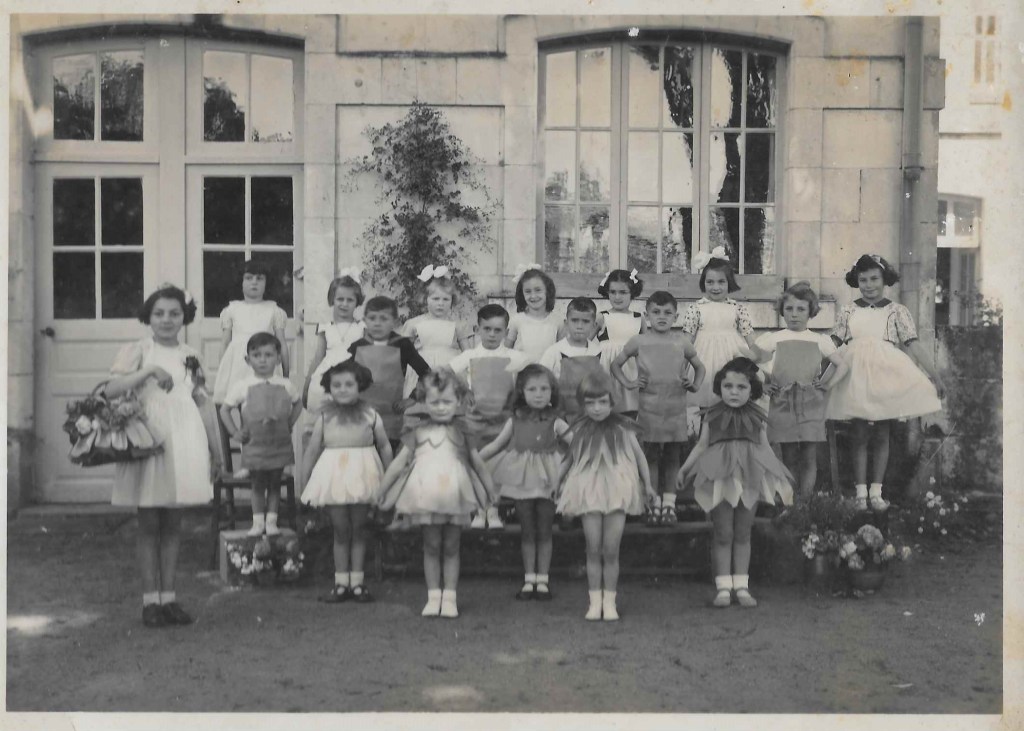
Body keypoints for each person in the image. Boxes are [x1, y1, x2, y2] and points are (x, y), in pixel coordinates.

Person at [105, 284, 217, 628]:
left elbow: (202, 401)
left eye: (174, 314)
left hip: (183, 438)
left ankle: (169, 598)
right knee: (149, 521)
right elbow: (111, 390)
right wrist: (150, 371)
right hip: (149, 439)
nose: (167, 320)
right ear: (148, 317)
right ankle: (149, 601)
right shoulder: (139, 350)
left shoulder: (190, 353)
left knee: (173, 522)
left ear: (184, 318)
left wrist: (215, 448)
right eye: (159, 313)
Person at [826, 254, 945, 511]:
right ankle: (860, 493)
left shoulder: (896, 311)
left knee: (881, 433)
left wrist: (934, 375)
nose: (868, 285)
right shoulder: (848, 311)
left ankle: (876, 492)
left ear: (884, 280)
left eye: (874, 279)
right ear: (856, 281)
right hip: (854, 375)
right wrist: (816, 369)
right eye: (863, 280)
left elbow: (913, 344)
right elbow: (832, 345)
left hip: (884, 374)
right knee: (858, 433)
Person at [678, 358, 794, 608]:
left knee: (743, 532)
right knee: (723, 532)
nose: (733, 392)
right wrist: (685, 470)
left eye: (741, 387)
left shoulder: (757, 416)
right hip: (720, 477)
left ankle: (741, 586)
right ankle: (723, 587)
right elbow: (701, 446)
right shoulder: (711, 415)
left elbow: (764, 447)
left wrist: (780, 478)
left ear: (752, 390)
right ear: (719, 387)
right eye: (728, 386)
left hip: (749, 476)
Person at [379, 371, 494, 618]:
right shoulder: (416, 431)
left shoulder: (463, 432)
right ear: (424, 402)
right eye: (434, 402)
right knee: (431, 545)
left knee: (452, 545)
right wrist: (383, 489)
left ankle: (450, 597)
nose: (441, 408)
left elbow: (478, 463)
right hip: (426, 497)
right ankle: (433, 596)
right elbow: (399, 463)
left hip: (455, 496)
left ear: (459, 402)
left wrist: (490, 491)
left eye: (447, 402)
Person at [555, 373, 655, 621]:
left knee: (611, 549)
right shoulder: (579, 428)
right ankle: (594, 601)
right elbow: (568, 459)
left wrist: (649, 485)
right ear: (583, 404)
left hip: (618, 491)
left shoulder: (623, 428)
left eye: (602, 402)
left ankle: (609, 602)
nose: (597, 408)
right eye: (590, 403)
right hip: (589, 490)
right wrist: (556, 482)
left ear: (613, 402)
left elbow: (640, 457)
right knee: (593, 547)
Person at [302, 360, 394, 603]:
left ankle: (358, 583)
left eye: (348, 384)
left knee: (359, 529)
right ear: (329, 388)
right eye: (337, 385)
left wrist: (390, 477)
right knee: (341, 530)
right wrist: (305, 480)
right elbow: (312, 450)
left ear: (360, 386)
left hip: (363, 474)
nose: (342, 389)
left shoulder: (370, 414)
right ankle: (341, 583)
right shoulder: (324, 416)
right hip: (335, 475)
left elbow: (384, 445)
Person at [611, 291, 706, 525]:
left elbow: (700, 368)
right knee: (651, 456)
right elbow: (616, 365)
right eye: (656, 312)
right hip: (649, 408)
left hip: (674, 407)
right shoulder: (638, 341)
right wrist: (629, 383)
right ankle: (653, 504)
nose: (661, 317)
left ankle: (669, 506)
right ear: (647, 315)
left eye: (667, 313)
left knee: (673, 456)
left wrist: (693, 385)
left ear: (676, 316)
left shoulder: (681, 342)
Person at [479, 365, 570, 601]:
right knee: (528, 530)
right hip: (521, 479)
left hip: (549, 477)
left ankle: (543, 581)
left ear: (552, 392)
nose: (538, 394)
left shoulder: (556, 421)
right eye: (532, 389)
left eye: (544, 389)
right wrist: (473, 460)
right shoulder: (515, 420)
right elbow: (496, 446)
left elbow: (578, 444)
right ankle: (529, 579)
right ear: (522, 392)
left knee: (545, 529)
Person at [750, 282, 849, 498]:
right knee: (788, 455)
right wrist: (763, 385)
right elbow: (747, 363)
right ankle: (789, 501)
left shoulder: (818, 340)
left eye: (801, 309)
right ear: (782, 311)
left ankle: (804, 503)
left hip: (810, 403)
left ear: (811, 311)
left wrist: (826, 384)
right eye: (789, 309)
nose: (794, 314)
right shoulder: (774, 338)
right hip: (782, 402)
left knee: (809, 455)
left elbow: (842, 365)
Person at [446, 303, 531, 529]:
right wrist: (464, 391)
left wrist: (518, 399)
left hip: (503, 421)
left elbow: (530, 380)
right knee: (477, 464)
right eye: (487, 329)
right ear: (478, 329)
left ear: (505, 331)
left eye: (498, 330)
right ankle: (478, 511)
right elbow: (444, 373)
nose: (492, 334)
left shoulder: (516, 357)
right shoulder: (470, 356)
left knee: (498, 466)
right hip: (476, 420)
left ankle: (493, 511)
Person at [219, 333, 303, 537]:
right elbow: (225, 409)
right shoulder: (242, 385)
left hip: (278, 443)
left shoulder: (285, 384)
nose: (263, 360)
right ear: (248, 360)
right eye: (257, 355)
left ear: (277, 358)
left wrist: (289, 423)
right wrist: (234, 432)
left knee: (274, 482)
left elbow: (298, 403)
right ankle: (257, 522)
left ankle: (271, 521)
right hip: (254, 444)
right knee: (257, 483)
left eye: (268, 354)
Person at [680, 247, 759, 428]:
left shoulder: (737, 308)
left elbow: (751, 340)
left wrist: (758, 364)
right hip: (704, 361)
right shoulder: (696, 308)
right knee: (707, 408)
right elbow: (686, 342)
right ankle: (706, 444)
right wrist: (680, 368)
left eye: (721, 282)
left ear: (729, 283)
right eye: (710, 282)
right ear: (703, 283)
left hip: (731, 360)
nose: (715, 287)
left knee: (731, 404)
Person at [346, 296, 432, 450]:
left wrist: (412, 399)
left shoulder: (403, 345)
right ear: (365, 320)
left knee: (387, 460)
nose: (377, 323)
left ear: (394, 321)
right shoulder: (356, 347)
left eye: (384, 319)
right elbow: (342, 377)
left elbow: (427, 374)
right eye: (372, 318)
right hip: (362, 417)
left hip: (391, 419)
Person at [212, 259, 290, 405]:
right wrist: (222, 369)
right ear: (240, 282)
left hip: (264, 363)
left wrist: (285, 373)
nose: (254, 282)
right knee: (236, 400)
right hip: (237, 364)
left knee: (262, 404)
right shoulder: (232, 310)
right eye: (249, 278)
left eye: (259, 278)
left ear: (267, 283)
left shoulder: (274, 310)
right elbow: (225, 343)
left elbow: (282, 345)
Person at [401, 265, 474, 398]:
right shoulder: (414, 324)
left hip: (449, 369)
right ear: (425, 299)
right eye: (435, 299)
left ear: (452, 301)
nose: (440, 303)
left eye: (446, 299)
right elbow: (404, 354)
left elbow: (468, 354)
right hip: (421, 370)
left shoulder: (457, 325)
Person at [303, 271, 365, 412]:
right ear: (332, 300)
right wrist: (306, 386)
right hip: (326, 375)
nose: (344, 304)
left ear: (357, 303)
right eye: (340, 299)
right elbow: (318, 357)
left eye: (350, 300)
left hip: (353, 375)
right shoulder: (325, 327)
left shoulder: (362, 327)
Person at [538, 297, 605, 423]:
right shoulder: (555, 351)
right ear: (566, 323)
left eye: (585, 321)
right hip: (561, 415)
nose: (579, 326)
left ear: (594, 325)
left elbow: (602, 385)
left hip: (590, 416)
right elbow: (541, 381)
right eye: (575, 321)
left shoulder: (598, 352)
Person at [596, 268, 645, 416]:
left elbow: (646, 346)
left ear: (632, 293)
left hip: (630, 369)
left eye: (623, 292)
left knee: (629, 408)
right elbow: (588, 344)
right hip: (606, 368)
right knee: (607, 406)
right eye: (613, 292)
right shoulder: (602, 316)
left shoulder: (638, 317)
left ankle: (627, 437)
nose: (617, 297)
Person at [505, 265, 563, 363]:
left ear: (547, 291)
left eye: (538, 290)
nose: (533, 296)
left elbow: (563, 350)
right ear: (522, 294)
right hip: (522, 373)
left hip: (547, 373)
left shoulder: (557, 321)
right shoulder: (517, 320)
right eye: (528, 291)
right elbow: (507, 350)